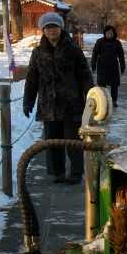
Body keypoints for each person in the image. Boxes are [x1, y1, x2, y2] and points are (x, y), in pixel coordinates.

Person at [23, 11, 94, 184]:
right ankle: (58, 173)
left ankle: (76, 173)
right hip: (48, 104)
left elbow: (85, 75)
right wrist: (28, 100)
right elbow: (32, 78)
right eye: (47, 27)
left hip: (72, 103)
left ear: (61, 28)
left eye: (54, 27)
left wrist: (92, 97)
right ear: (43, 31)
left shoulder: (73, 50)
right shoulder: (38, 52)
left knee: (72, 141)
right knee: (53, 142)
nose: (51, 30)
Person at [90, 24, 126, 106]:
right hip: (102, 66)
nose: (109, 34)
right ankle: (103, 100)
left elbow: (121, 55)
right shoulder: (100, 42)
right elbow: (95, 54)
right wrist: (93, 65)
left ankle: (113, 101)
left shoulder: (117, 43)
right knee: (102, 85)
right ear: (105, 33)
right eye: (107, 33)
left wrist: (122, 66)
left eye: (111, 33)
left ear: (114, 33)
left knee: (114, 85)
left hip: (113, 66)